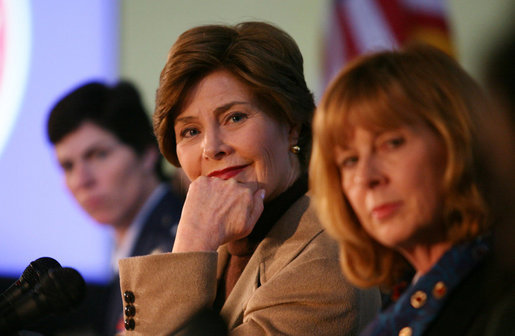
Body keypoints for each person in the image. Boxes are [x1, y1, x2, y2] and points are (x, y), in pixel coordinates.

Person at [117, 21, 381, 335]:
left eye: (235, 117)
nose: (212, 147)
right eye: (190, 131)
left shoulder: (326, 263)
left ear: (290, 124)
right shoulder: (227, 240)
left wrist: (190, 246)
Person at [310, 44, 510, 335]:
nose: (366, 177)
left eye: (392, 143)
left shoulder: (502, 303)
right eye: (349, 160)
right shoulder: (400, 307)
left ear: (457, 138)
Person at [46, 81, 184, 335]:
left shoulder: (178, 239)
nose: (81, 180)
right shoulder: (131, 243)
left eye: (98, 155)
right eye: (68, 166)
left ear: (147, 153)